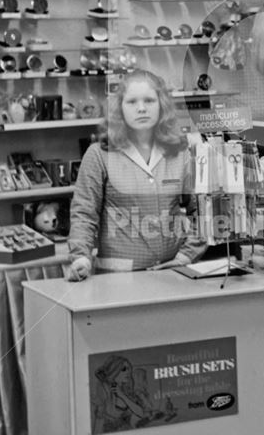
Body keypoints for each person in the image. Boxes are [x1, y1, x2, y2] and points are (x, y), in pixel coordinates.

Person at [66, 69, 206, 280]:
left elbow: (203, 210)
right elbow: (84, 214)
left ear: (162, 106)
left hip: (172, 273)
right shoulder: (99, 155)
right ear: (119, 108)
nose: (141, 108)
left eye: (149, 100)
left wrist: (187, 255)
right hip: (117, 278)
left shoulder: (179, 152)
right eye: (132, 102)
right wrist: (81, 257)